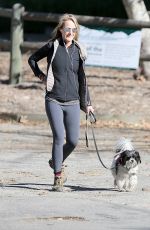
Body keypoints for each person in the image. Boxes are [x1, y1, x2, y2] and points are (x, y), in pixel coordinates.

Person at [28, 13, 94, 192]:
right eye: (67, 29)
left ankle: (55, 161)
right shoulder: (52, 46)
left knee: (72, 141)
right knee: (58, 137)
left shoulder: (79, 51)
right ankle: (58, 177)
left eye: (73, 30)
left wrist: (87, 102)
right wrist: (40, 75)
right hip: (53, 99)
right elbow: (32, 59)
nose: (70, 32)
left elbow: (82, 79)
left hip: (73, 101)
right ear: (61, 30)